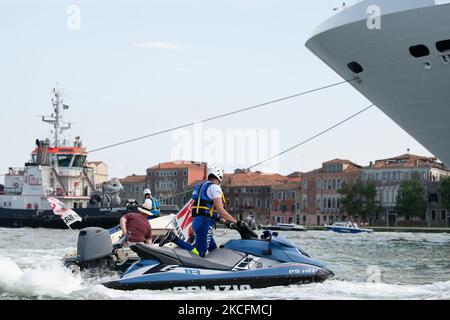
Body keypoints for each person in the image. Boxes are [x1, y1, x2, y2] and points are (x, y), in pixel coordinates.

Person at [159, 166, 238, 257]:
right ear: (220, 177)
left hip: (198, 221)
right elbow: (220, 210)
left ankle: (219, 264)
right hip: (205, 222)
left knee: (213, 250)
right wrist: (237, 222)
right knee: (200, 253)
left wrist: (226, 222)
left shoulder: (203, 187)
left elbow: (210, 211)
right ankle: (174, 238)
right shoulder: (215, 188)